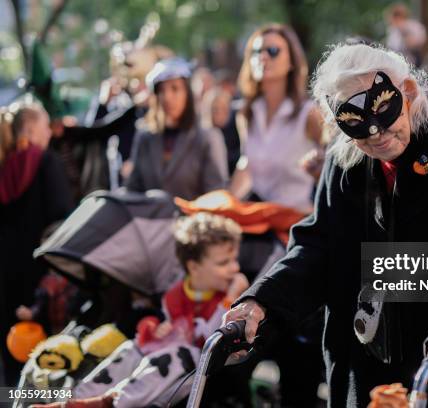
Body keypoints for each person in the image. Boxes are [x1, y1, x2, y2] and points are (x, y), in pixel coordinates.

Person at [224, 42, 428, 407]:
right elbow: (318, 248)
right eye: (355, 124)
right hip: (368, 358)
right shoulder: (346, 159)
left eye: (384, 111)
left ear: (409, 91)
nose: (375, 133)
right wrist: (262, 300)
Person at [35, 213, 250, 408]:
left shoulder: (230, 299)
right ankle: (76, 398)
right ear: (193, 266)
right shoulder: (174, 295)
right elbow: (168, 323)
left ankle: (111, 402)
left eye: (234, 260)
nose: (235, 268)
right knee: (130, 349)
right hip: (163, 358)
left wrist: (231, 297)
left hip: (197, 366)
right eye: (224, 262)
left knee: (174, 355)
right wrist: (154, 329)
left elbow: (214, 335)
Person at [0, 102, 73, 385]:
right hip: (42, 275)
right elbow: (64, 218)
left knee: (11, 353)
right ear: (30, 129)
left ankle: (12, 401)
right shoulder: (46, 162)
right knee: (47, 359)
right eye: (45, 127)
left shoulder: (4, 164)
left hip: (7, 277)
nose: (50, 134)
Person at [230, 23, 324, 213]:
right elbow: (246, 164)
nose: (262, 57)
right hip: (258, 218)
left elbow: (331, 168)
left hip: (296, 221)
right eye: (257, 51)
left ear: (291, 62)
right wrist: (227, 204)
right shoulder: (246, 114)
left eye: (272, 51)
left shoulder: (309, 113)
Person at [126, 58, 228, 200]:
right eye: (161, 90)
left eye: (175, 89)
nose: (167, 97)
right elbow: (133, 189)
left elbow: (215, 193)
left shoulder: (208, 137)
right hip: (150, 219)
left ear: (188, 93)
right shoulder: (145, 137)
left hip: (193, 220)